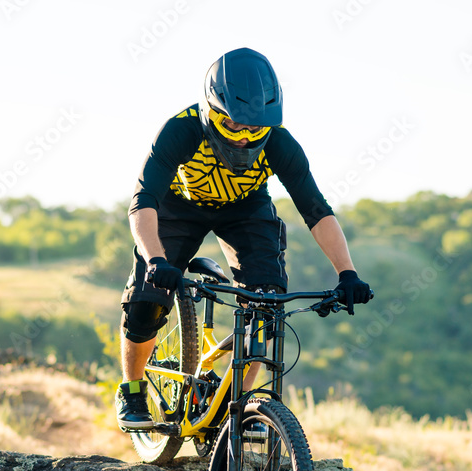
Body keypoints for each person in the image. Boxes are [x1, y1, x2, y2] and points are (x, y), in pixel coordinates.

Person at [116, 47, 372, 430]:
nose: (243, 136)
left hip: (245, 208)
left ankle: (234, 407)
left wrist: (347, 273)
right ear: (212, 112)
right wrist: (155, 259)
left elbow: (316, 211)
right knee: (147, 301)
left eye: (254, 128)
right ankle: (132, 390)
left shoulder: (280, 143)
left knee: (266, 311)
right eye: (234, 125)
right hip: (177, 205)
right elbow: (143, 202)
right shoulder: (180, 130)